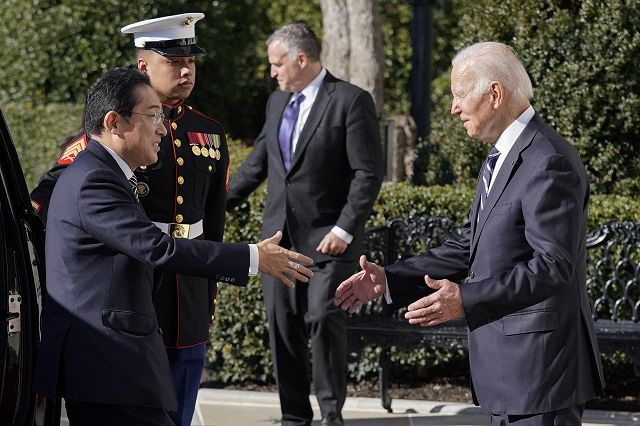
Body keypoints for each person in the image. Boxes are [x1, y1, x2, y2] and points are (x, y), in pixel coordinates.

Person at [334, 42, 605, 425]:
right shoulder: (502, 155)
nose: (453, 108)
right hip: (512, 375)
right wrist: (390, 279)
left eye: (460, 95)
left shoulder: (548, 160)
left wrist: (466, 298)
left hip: (540, 374)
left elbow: (552, 266)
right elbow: (470, 246)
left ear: (494, 93)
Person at [33, 67, 313, 426]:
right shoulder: (94, 180)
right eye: (152, 116)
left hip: (112, 366)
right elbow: (158, 248)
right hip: (107, 365)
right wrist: (254, 256)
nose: (163, 129)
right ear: (114, 122)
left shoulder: (104, 173)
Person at [30, 13, 236, 425]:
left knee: (180, 405)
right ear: (144, 65)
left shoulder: (208, 132)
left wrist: (209, 289)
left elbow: (214, 219)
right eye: (174, 62)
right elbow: (47, 201)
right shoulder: (110, 134)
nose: (186, 71)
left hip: (188, 292)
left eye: (190, 62)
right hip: (133, 296)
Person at [227, 22, 383, 426]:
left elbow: (367, 173)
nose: (272, 72)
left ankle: (331, 416)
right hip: (279, 243)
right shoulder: (277, 102)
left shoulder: (350, 101)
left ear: (301, 59)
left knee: (323, 320)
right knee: (283, 329)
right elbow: (258, 164)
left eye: (277, 64)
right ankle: (295, 418)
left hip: (329, 243)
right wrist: (215, 206)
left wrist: (344, 229)